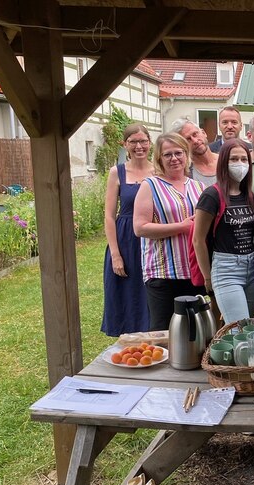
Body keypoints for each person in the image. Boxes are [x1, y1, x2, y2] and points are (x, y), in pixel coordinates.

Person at [133, 133, 205, 330]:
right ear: (159, 158)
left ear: (186, 155)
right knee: (164, 332)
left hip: (195, 271)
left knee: (196, 330)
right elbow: (140, 228)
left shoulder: (199, 187)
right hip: (163, 272)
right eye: (167, 154)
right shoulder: (150, 186)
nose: (174, 158)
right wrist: (182, 227)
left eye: (178, 153)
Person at [192, 139, 254, 323]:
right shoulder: (211, 195)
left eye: (244, 159)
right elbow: (198, 239)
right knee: (240, 328)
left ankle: (223, 343)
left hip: (253, 267)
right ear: (223, 162)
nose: (240, 164)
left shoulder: (249, 196)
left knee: (246, 327)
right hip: (226, 269)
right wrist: (208, 278)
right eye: (234, 159)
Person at [101, 124, 153, 336]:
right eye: (133, 142)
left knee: (150, 294)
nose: (139, 146)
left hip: (151, 238)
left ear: (150, 143)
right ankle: (129, 343)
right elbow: (109, 215)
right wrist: (115, 254)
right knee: (127, 294)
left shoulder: (159, 170)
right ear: (125, 144)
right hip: (125, 240)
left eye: (143, 141)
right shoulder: (117, 172)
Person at [172, 118, 218, 186]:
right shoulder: (185, 174)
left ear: (204, 133)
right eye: (188, 139)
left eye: (195, 134)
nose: (195, 141)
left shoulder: (227, 160)